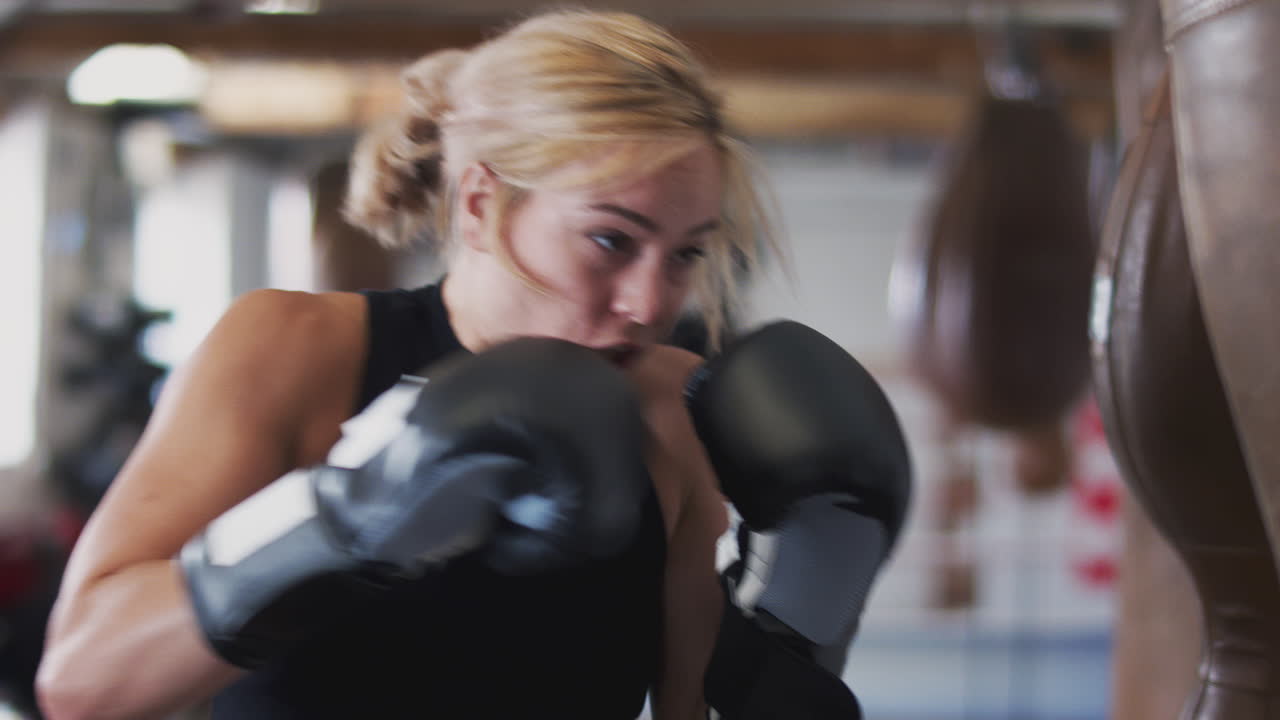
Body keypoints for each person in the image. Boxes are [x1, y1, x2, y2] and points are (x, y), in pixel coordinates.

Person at [36, 9, 776, 720]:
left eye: (685, 254)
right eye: (611, 240)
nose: (649, 304)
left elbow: (695, 707)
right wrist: (344, 517)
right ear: (482, 203)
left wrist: (809, 593)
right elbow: (82, 684)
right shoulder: (295, 349)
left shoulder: (674, 411)